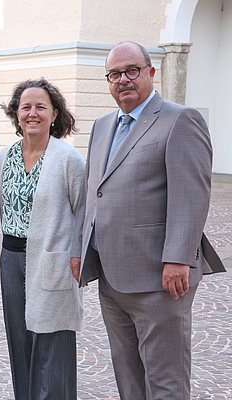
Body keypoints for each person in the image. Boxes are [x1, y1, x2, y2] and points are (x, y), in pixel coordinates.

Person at [73, 41, 222, 399]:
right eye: (114, 74)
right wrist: (80, 249)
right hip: (110, 273)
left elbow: (191, 195)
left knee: (164, 378)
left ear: (151, 72)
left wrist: (178, 259)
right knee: (127, 372)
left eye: (131, 71)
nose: (123, 79)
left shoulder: (180, 120)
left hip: (159, 277)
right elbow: (94, 191)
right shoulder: (103, 125)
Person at [0, 78, 84, 399]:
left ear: (55, 114)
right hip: (12, 260)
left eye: (40, 107)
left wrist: (76, 259)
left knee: (51, 343)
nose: (32, 113)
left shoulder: (68, 159)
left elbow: (85, 215)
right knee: (19, 342)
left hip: (53, 260)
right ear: (16, 114)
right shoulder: (4, 158)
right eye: (26, 107)